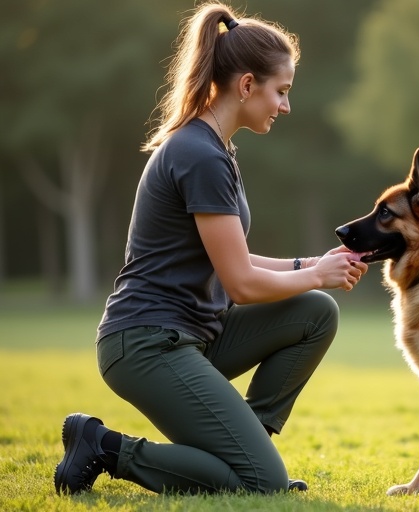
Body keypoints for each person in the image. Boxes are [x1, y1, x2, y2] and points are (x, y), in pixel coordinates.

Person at [54, 1, 367, 496]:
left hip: (193, 335)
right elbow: (240, 283)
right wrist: (315, 275)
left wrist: (308, 265)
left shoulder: (216, 148)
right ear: (247, 85)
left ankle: (245, 445)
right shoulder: (199, 154)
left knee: (315, 312)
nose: (285, 106)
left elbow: (230, 258)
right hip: (145, 343)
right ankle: (103, 446)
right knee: (262, 483)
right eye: (281, 91)